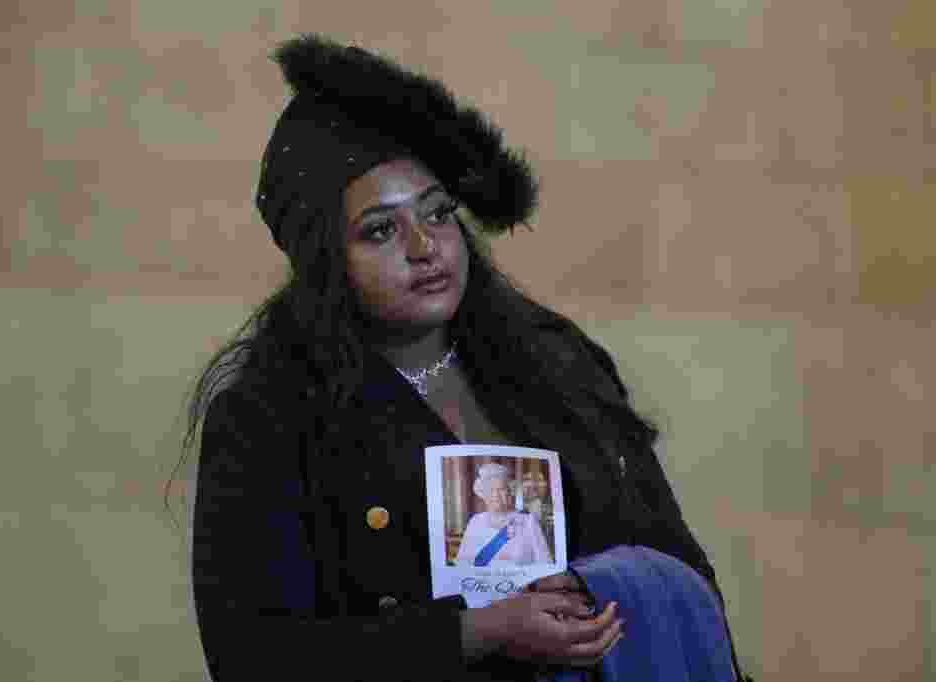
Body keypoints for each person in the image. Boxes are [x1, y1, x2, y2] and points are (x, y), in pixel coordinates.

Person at [169, 33, 751, 681]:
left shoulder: (560, 363)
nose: (425, 246)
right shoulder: (267, 417)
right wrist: (473, 631)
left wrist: (605, 594)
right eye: (380, 229)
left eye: (439, 212)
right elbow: (252, 659)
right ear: (325, 260)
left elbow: (680, 565)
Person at [455, 463, 553, 566]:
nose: (496, 495)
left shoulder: (528, 521)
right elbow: (462, 563)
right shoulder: (476, 521)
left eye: (501, 489)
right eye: (490, 490)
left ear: (510, 492)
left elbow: (545, 563)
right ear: (483, 495)